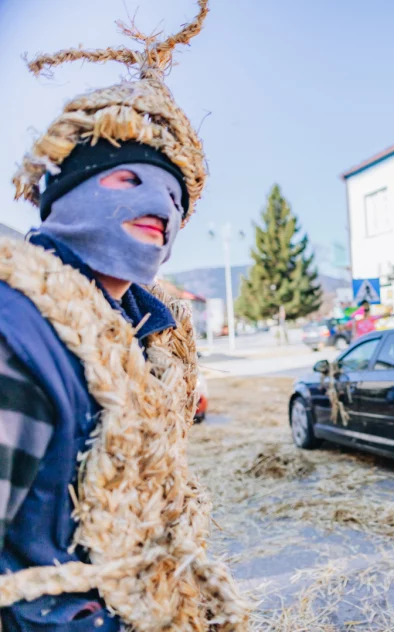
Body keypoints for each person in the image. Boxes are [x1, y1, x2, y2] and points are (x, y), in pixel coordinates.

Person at [0, 2, 247, 630]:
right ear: (65, 193)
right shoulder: (19, 327)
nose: (157, 208)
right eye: (126, 180)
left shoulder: (153, 333)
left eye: (172, 196)